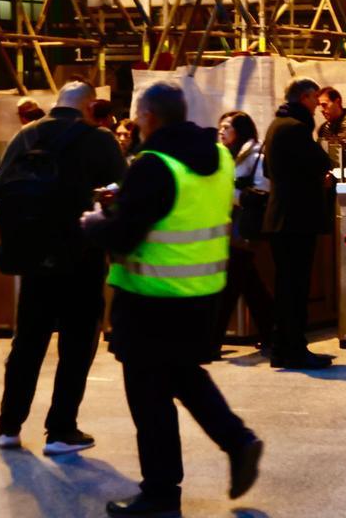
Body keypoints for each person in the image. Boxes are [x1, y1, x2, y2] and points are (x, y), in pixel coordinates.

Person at [80, 82, 262, 517]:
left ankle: (161, 493)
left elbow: (126, 233)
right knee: (184, 375)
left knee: (149, 397)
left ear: (148, 117)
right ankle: (238, 442)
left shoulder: (154, 165)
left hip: (150, 298)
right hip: (201, 296)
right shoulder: (218, 156)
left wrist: (95, 223)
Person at [0, 81, 126, 455]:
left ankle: (8, 427)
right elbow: (126, 186)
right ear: (87, 105)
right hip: (80, 255)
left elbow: (0, 186)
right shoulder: (97, 138)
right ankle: (61, 430)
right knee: (77, 342)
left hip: (33, 257)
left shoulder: (26, 135)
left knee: (28, 342)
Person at [262, 78, 334, 369]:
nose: (319, 103)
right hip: (295, 220)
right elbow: (322, 161)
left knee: (285, 287)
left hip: (281, 219)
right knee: (295, 288)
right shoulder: (295, 128)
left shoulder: (276, 126)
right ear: (304, 97)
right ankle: (294, 349)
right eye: (315, 97)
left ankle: (282, 347)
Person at [212, 111, 275, 357]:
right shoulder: (225, 156)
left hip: (244, 228)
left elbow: (262, 190)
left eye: (227, 126)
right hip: (229, 227)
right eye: (220, 126)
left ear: (241, 130)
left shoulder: (255, 155)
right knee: (250, 284)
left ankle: (210, 342)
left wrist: (229, 194)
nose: (221, 131)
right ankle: (273, 332)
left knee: (229, 286)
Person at [317, 86, 346, 167]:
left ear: (337, 102)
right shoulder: (323, 129)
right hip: (332, 177)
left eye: (324, 105)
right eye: (319, 106)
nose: (321, 110)